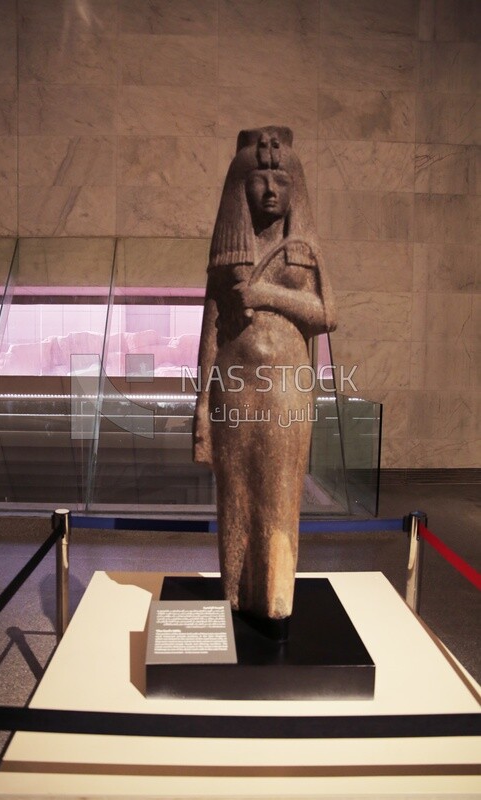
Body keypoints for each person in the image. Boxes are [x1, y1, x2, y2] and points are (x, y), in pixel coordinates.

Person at [193, 126, 336, 624]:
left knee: (277, 495)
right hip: (233, 387)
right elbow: (211, 327)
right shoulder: (230, 251)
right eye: (259, 179)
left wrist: (266, 295)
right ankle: (233, 595)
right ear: (241, 188)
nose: (271, 190)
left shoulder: (303, 249)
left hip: (286, 388)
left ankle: (276, 598)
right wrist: (201, 409)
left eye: (281, 179)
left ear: (295, 187)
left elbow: (327, 312)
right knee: (234, 496)